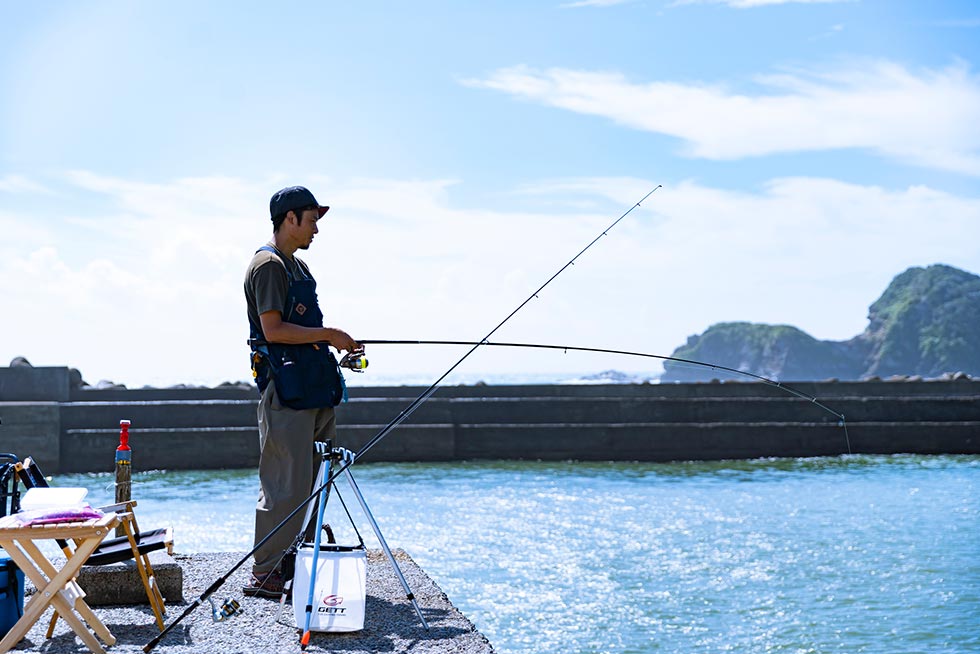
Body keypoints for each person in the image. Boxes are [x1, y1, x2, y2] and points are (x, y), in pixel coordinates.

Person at [242, 185, 361, 597]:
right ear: (289, 218)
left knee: (314, 481)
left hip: (314, 390)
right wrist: (330, 335)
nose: (316, 229)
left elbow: (304, 329)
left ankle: (297, 562)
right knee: (285, 485)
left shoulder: (300, 268)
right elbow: (273, 329)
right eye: (311, 220)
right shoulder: (268, 265)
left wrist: (335, 342)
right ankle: (265, 573)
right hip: (287, 393)